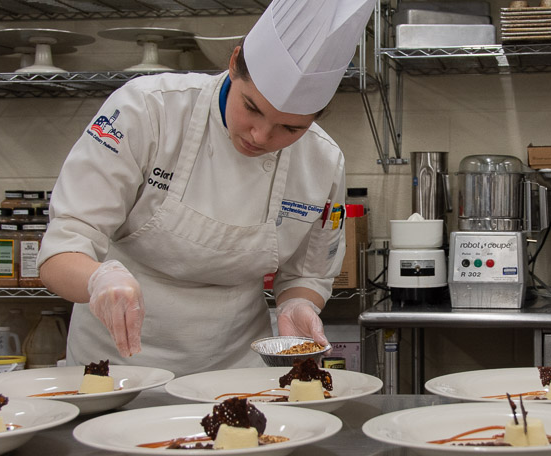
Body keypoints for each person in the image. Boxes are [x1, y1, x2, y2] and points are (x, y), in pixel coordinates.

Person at [37, 0, 375, 375]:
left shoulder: (323, 161)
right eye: (251, 107)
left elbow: (305, 275)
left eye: (290, 129)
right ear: (233, 64)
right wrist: (99, 278)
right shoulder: (147, 110)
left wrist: (298, 306)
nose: (261, 136)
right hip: (114, 367)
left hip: (234, 372)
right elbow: (61, 251)